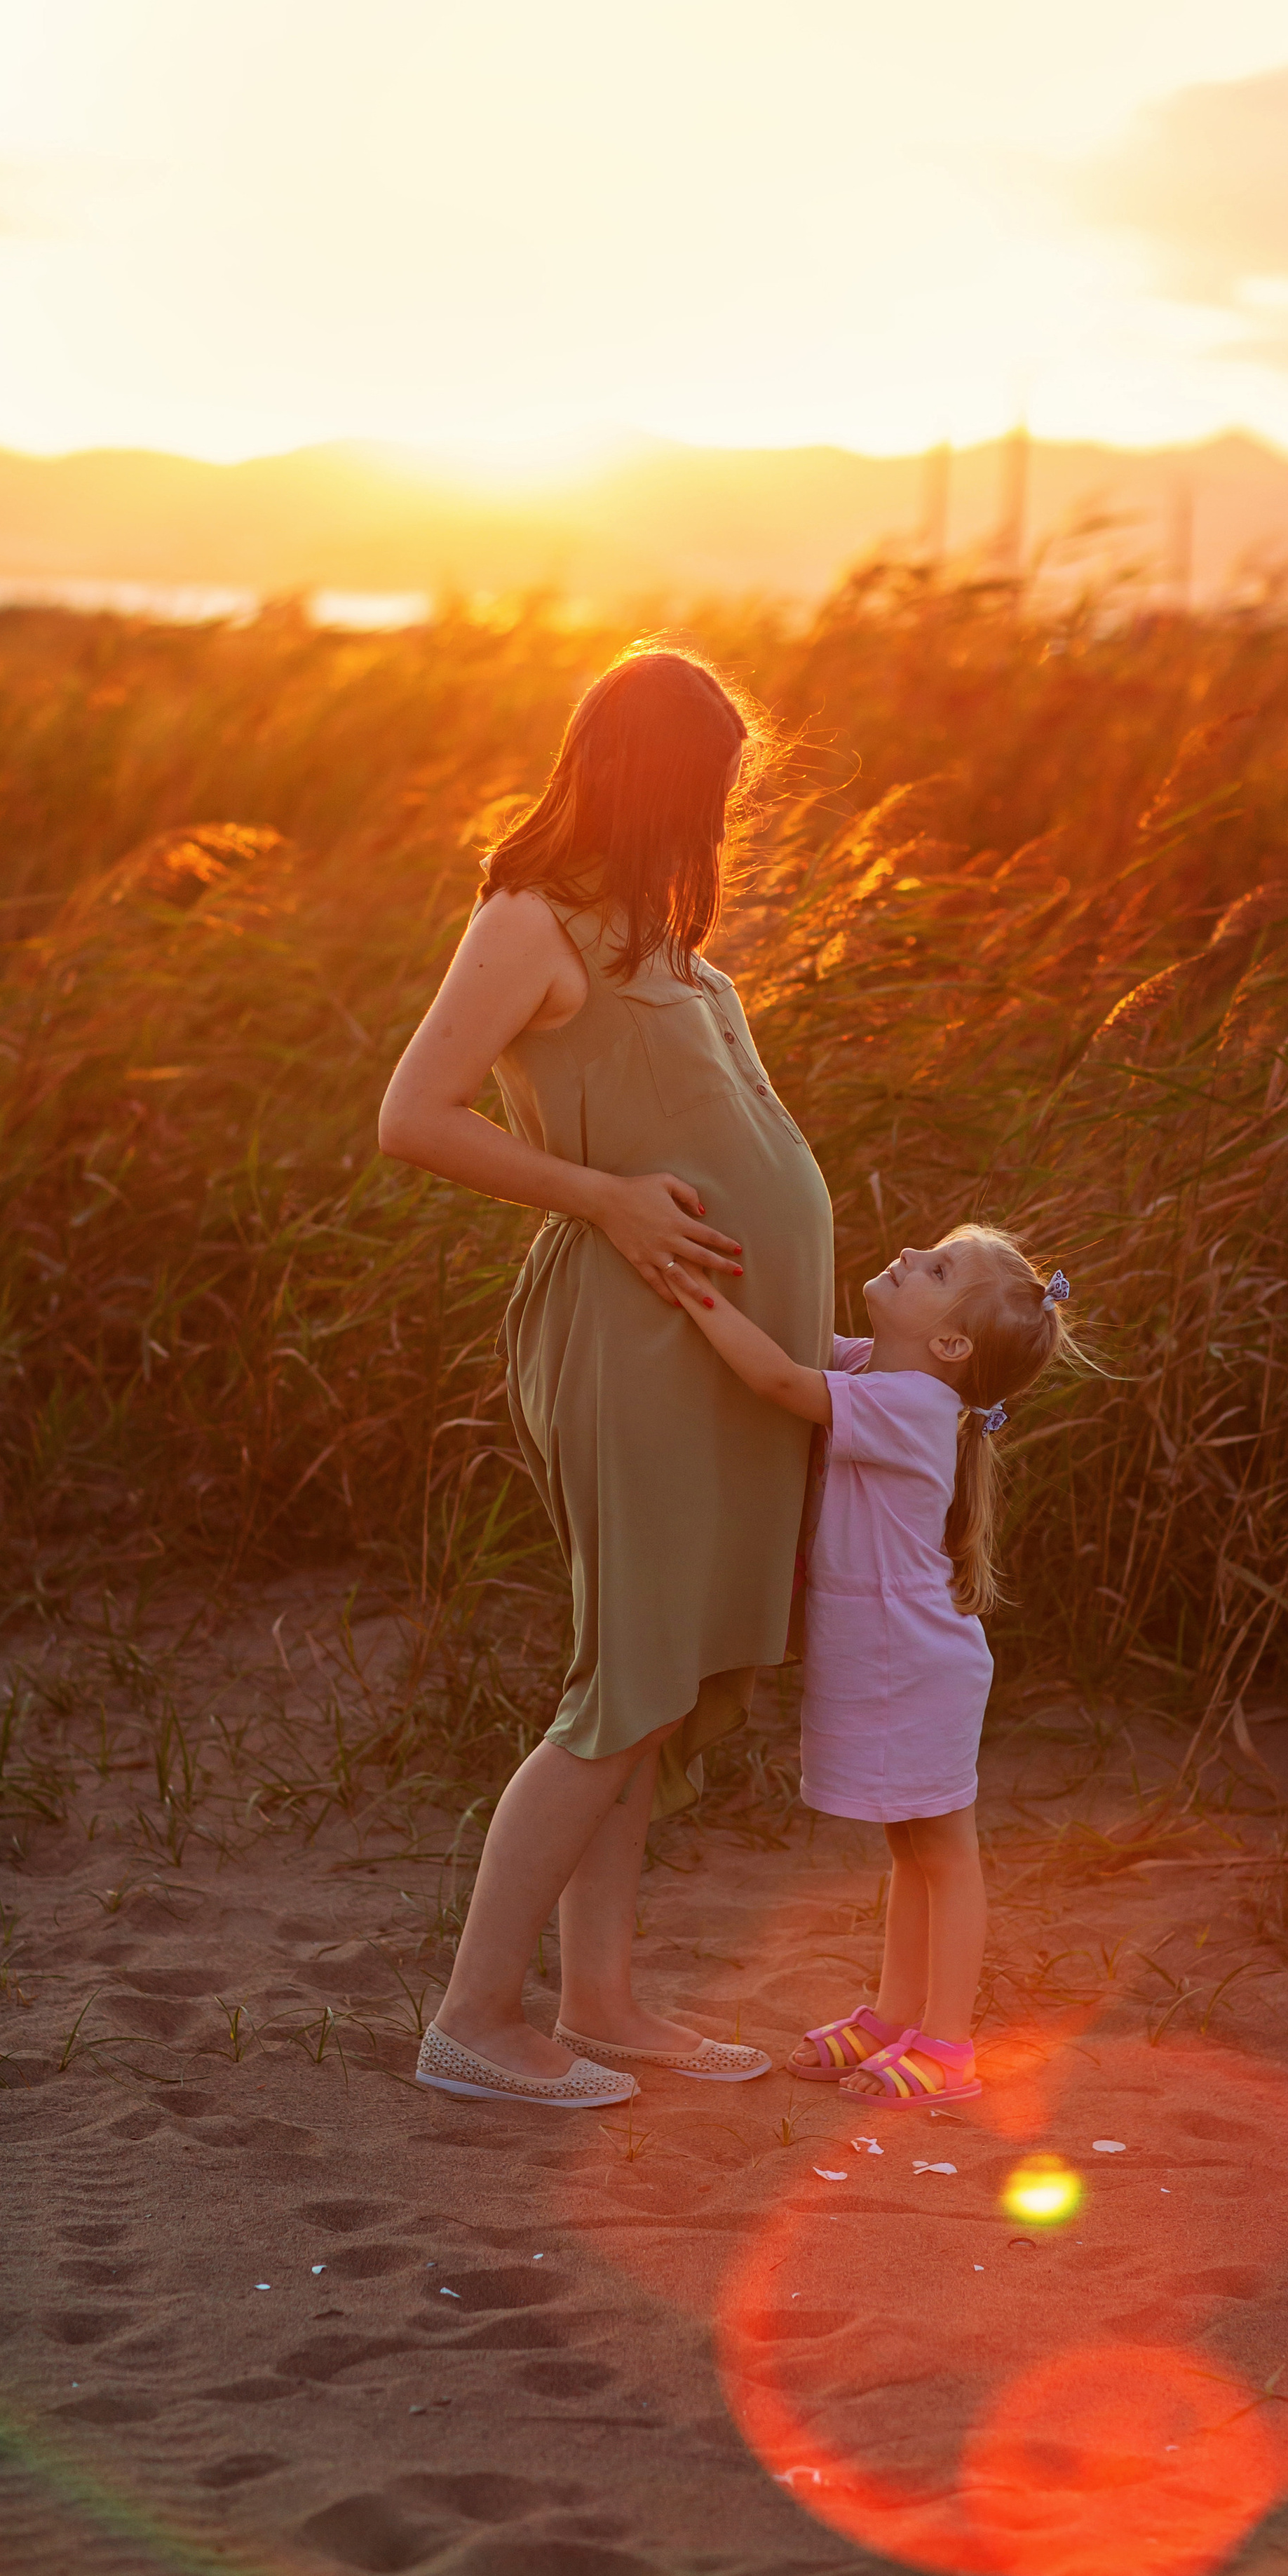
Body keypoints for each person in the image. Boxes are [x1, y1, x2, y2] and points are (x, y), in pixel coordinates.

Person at [378, 647, 834, 2108]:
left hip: (707, 1355)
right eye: (709, 791)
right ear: (654, 781)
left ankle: (605, 2002)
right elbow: (412, 1118)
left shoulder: (662, 935)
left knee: (661, 1684)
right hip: (626, 1339)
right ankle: (473, 2016)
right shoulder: (533, 919)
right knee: (617, 1686)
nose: (722, 819)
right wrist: (605, 1198)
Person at [669, 1225, 1076, 2108]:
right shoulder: (876, 1371)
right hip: (891, 1660)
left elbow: (777, 1379)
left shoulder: (914, 1405)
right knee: (908, 1848)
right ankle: (895, 2019)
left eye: (937, 1270)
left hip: (917, 1668)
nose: (908, 1257)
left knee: (943, 1851)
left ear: (951, 1346)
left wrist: (689, 1291)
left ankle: (950, 2046)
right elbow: (797, 1348)